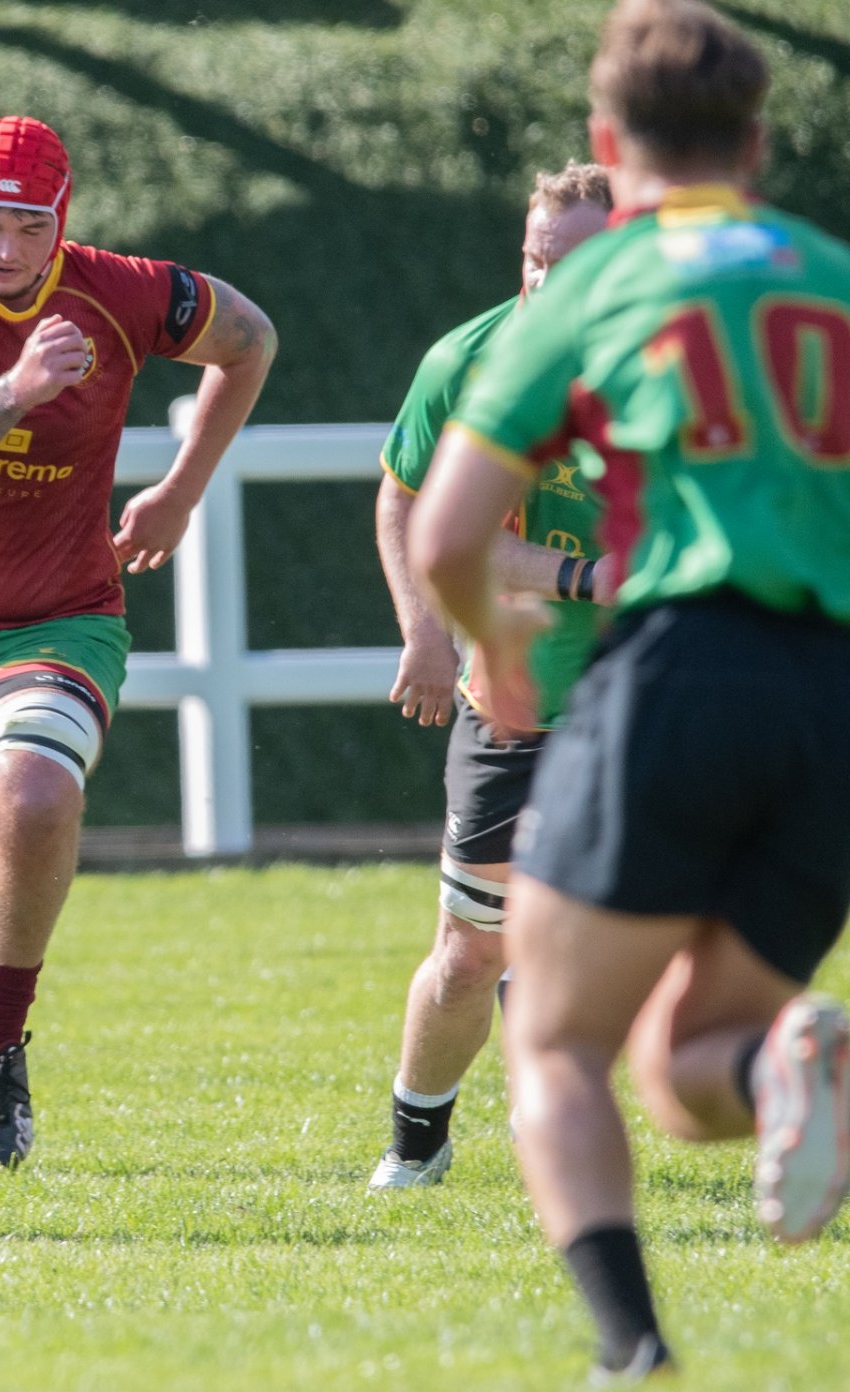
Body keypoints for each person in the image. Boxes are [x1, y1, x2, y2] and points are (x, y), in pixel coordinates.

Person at [409, 0, 850, 1378]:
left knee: (552, 1039)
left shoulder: (599, 288)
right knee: (694, 1068)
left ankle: (631, 1348)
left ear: (610, 141)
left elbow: (445, 533)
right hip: (833, 698)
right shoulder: (833, 277)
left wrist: (490, 647)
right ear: (758, 145)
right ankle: (791, 1068)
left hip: (681, 671)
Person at [0, 116, 276, 1165]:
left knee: (35, 790)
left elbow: (251, 340)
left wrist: (181, 490)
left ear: (64, 221)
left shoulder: (122, 291)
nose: (4, 249)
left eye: (27, 227)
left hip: (59, 617)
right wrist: (15, 389)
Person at [368, 162, 614, 1191]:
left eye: (576, 263)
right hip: (515, 696)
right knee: (472, 948)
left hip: (647, 699)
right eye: (534, 259)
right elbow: (414, 509)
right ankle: (415, 1141)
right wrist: (423, 632)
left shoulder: (684, 367)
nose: (547, 282)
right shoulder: (469, 362)